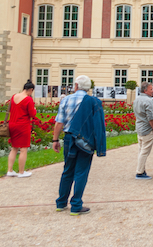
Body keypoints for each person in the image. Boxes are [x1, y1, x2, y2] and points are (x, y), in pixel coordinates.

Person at [52, 75, 106, 215]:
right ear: (88, 88)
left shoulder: (66, 99)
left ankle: (61, 203)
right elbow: (98, 125)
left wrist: (55, 140)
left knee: (67, 170)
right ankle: (76, 205)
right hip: (85, 140)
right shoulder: (94, 102)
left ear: (76, 86)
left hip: (69, 138)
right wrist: (99, 145)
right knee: (81, 171)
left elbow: (59, 122)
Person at [7, 79, 37, 178]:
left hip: (12, 124)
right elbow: (32, 114)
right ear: (31, 90)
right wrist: (35, 110)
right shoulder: (28, 99)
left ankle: (10, 170)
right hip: (23, 125)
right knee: (23, 149)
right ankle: (21, 172)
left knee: (14, 148)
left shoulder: (14, 96)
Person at [133, 81, 153, 180]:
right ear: (145, 90)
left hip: (139, 127)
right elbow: (151, 117)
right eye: (151, 89)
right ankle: (139, 172)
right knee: (144, 151)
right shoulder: (148, 101)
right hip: (147, 129)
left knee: (141, 150)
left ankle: (141, 169)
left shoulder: (137, 99)